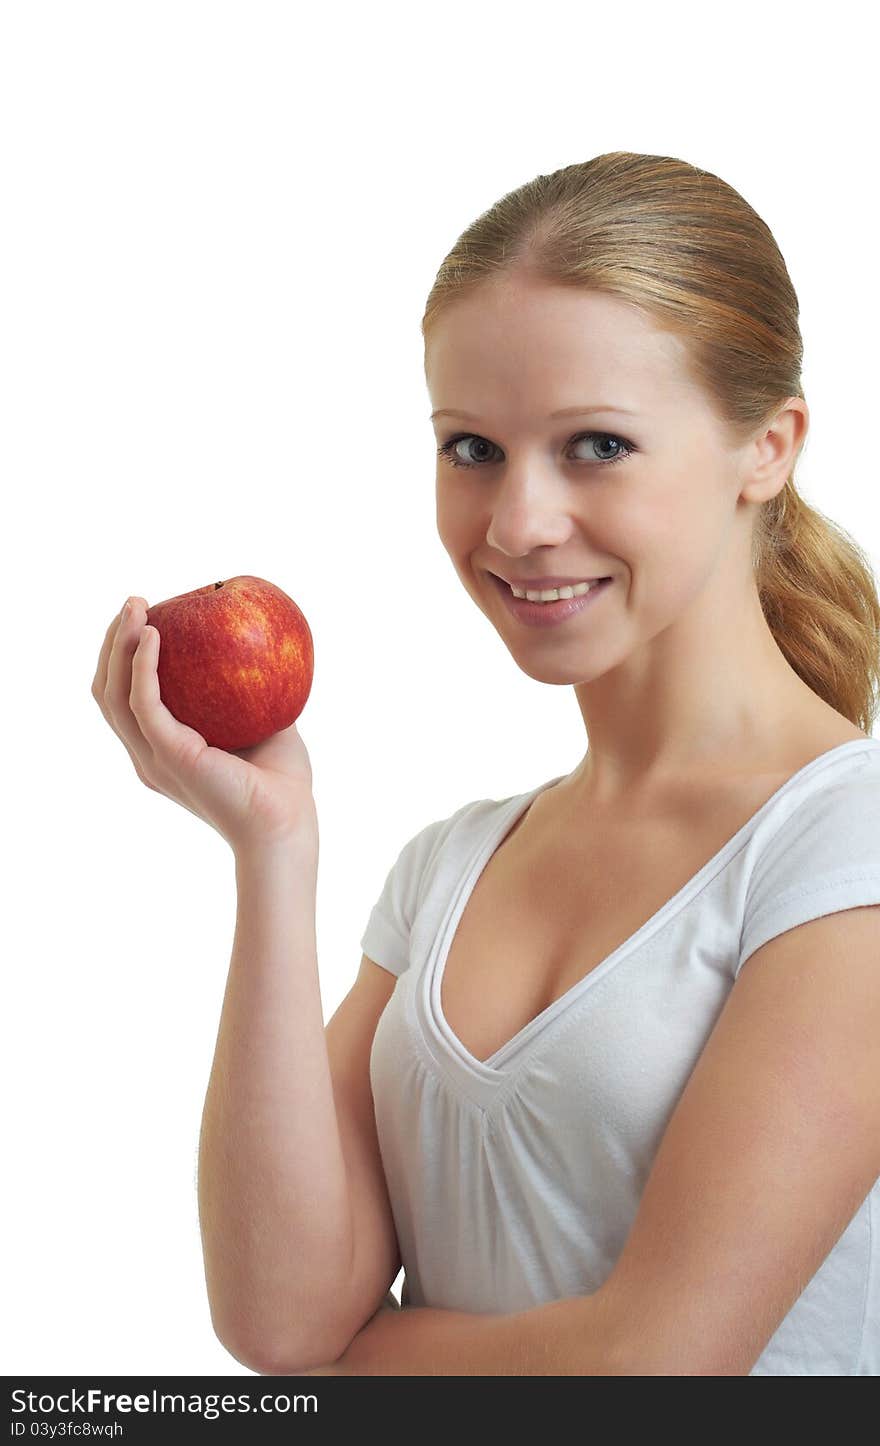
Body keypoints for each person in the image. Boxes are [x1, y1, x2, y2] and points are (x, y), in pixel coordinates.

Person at [92, 150, 880, 1377]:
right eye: (471, 449)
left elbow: (658, 1366)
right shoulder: (449, 867)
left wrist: (360, 1367)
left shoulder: (842, 847)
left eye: (598, 447)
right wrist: (271, 852)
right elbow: (278, 1324)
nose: (516, 524)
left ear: (766, 447)